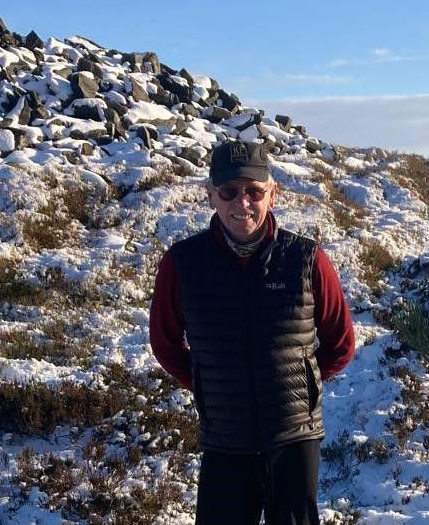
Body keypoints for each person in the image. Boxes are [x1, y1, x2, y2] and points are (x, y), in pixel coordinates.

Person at [149, 139, 355, 524]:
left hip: (295, 440)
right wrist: (210, 383)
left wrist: (301, 382)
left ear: (271, 194)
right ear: (211, 195)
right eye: (228, 191)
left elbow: (341, 343)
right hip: (225, 441)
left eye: (254, 191)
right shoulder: (182, 264)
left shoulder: (308, 259)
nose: (241, 203)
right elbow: (165, 343)